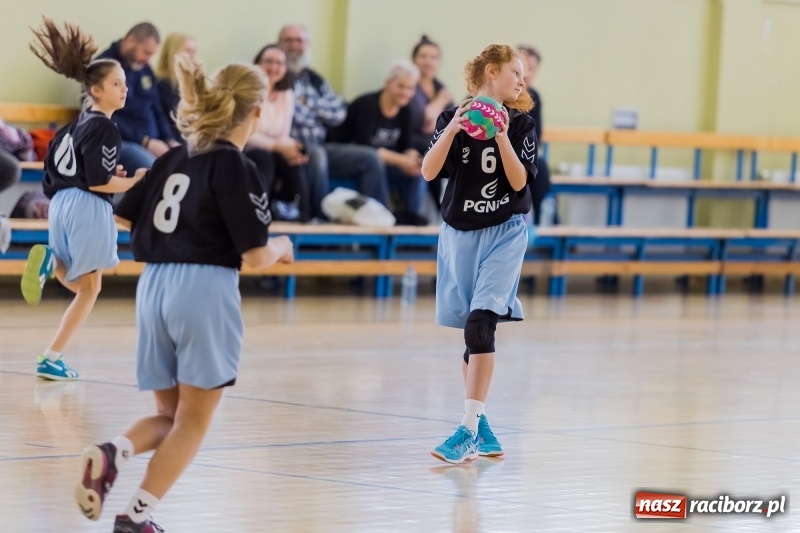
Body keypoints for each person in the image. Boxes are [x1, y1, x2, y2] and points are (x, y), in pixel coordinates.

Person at [74, 55, 294, 532]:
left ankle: (114, 452)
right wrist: (282, 245)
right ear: (256, 112)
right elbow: (255, 257)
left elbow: (125, 214)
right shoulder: (236, 166)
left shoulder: (173, 156)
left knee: (170, 415)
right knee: (193, 422)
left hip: (152, 286)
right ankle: (135, 518)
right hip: (203, 288)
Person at [421, 44, 537, 464]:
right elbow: (429, 171)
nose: (522, 81)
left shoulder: (522, 124)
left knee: (480, 323)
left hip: (504, 234)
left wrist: (502, 134)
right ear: (492, 71)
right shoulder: (453, 118)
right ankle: (480, 420)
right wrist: (451, 129)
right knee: (471, 331)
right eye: (516, 72)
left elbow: (520, 181)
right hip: (458, 235)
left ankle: (467, 429)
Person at [22, 18, 145, 380]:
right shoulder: (106, 126)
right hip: (87, 207)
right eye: (116, 84)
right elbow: (99, 182)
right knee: (90, 290)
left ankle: (49, 264)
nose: (125, 89)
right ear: (96, 90)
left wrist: (109, 179)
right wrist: (135, 180)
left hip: (60, 204)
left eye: (125, 83)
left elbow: (66, 171)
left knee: (85, 286)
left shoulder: (76, 125)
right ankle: (51, 357)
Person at [278, 24, 388, 218]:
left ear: (307, 45)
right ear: (279, 44)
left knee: (370, 158)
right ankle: (319, 221)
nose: (294, 45)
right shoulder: (277, 76)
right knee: (318, 155)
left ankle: (377, 222)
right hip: (290, 145)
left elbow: (338, 113)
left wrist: (307, 103)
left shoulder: (314, 79)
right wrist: (318, 110)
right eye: (289, 40)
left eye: (299, 40)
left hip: (322, 144)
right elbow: (294, 114)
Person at [329, 60, 427, 221]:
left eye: (410, 88)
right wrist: (402, 160)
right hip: (349, 158)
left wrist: (414, 159)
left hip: (382, 162)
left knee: (418, 172)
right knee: (373, 159)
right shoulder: (367, 105)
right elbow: (365, 147)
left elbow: (406, 145)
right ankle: (384, 220)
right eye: (400, 86)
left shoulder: (405, 111)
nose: (405, 92)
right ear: (388, 84)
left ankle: (410, 222)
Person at [97, 22, 180, 172]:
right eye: (146, 52)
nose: (147, 59)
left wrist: (170, 139)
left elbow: (156, 108)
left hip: (153, 142)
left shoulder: (145, 69)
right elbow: (101, 115)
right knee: (156, 169)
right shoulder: (104, 66)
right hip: (121, 141)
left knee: (183, 163)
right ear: (131, 40)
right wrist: (145, 142)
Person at [247, 43, 310, 221]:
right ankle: (260, 214)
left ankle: (303, 215)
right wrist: (277, 146)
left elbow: (284, 133)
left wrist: (291, 148)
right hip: (249, 146)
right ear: (257, 64)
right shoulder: (249, 92)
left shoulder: (287, 94)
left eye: (279, 63)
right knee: (264, 158)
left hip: (275, 147)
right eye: (268, 61)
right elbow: (246, 133)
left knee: (295, 158)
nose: (273, 67)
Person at [409, 35, 453, 210]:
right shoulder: (409, 87)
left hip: (437, 143)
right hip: (414, 145)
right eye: (423, 56)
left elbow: (448, 122)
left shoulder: (441, 88)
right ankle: (443, 211)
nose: (428, 61)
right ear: (414, 60)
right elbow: (425, 120)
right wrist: (439, 102)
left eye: (433, 57)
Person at [518, 44, 554, 225]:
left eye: (532, 69)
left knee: (540, 167)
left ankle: (543, 223)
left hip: (521, 152)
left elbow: (536, 135)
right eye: (523, 67)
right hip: (495, 153)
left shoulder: (534, 97)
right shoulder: (495, 93)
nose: (526, 74)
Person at [154, 32, 197, 141]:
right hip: (174, 139)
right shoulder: (162, 84)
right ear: (174, 53)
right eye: (188, 51)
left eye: (194, 51)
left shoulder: (194, 83)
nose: (192, 56)